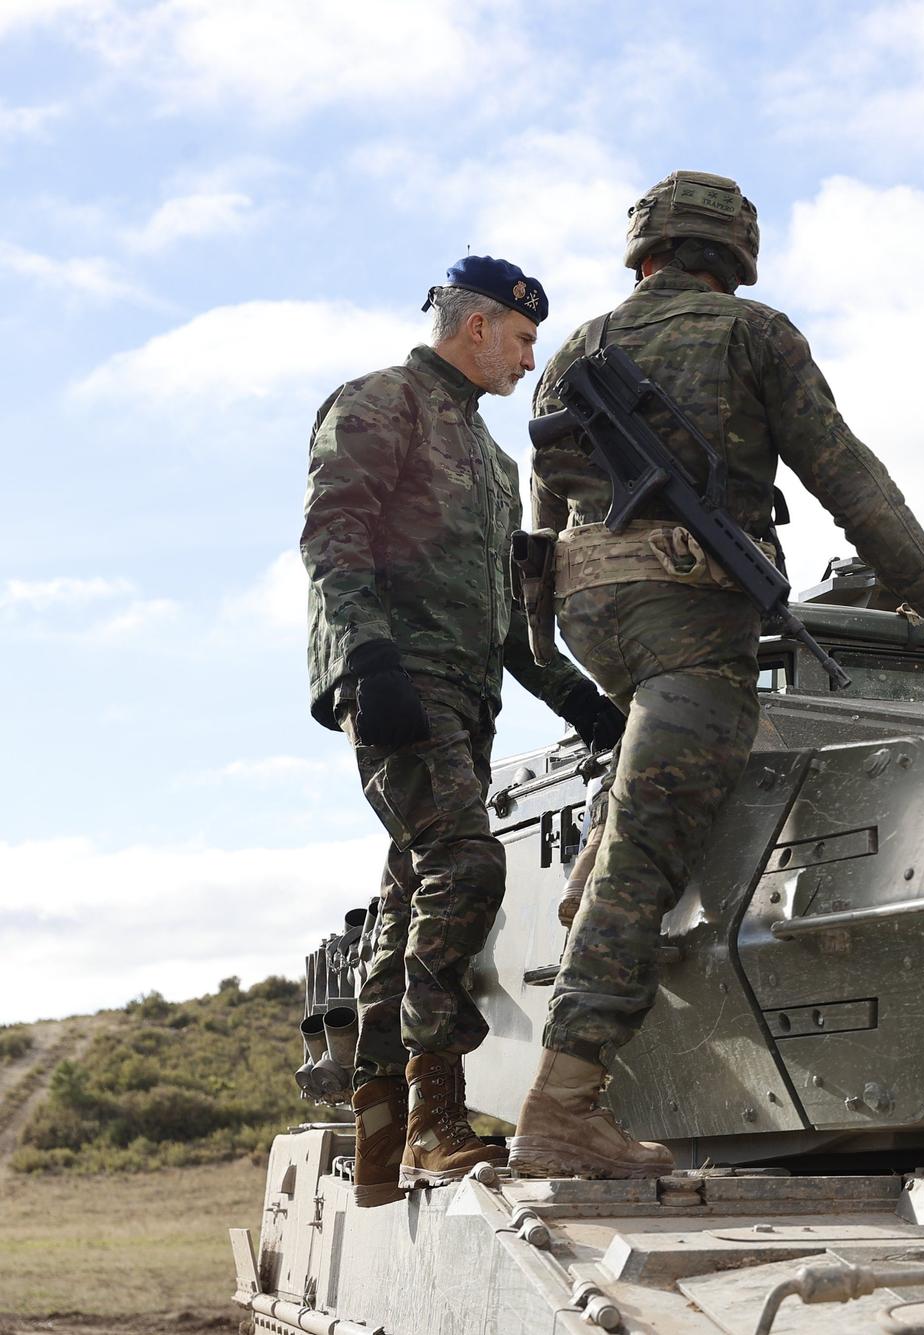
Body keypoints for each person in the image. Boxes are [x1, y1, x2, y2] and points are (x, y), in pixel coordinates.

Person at [508, 171, 924, 1178]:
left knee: (650, 780)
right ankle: (563, 1108)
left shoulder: (572, 351)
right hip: (692, 619)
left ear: (642, 251)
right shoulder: (753, 335)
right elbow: (845, 476)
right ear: (734, 254)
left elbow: (542, 517)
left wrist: (549, 638)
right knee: (647, 864)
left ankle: (605, 845)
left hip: (589, 616)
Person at [301, 257, 625, 1206]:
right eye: (523, 340)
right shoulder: (378, 405)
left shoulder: (491, 460)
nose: (531, 359)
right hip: (398, 683)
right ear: (477, 326)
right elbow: (333, 535)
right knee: (470, 864)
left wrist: (585, 704)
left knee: (411, 900)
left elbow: (503, 620)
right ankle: (436, 1118)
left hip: (464, 699)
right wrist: (367, 660)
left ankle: (386, 1135)